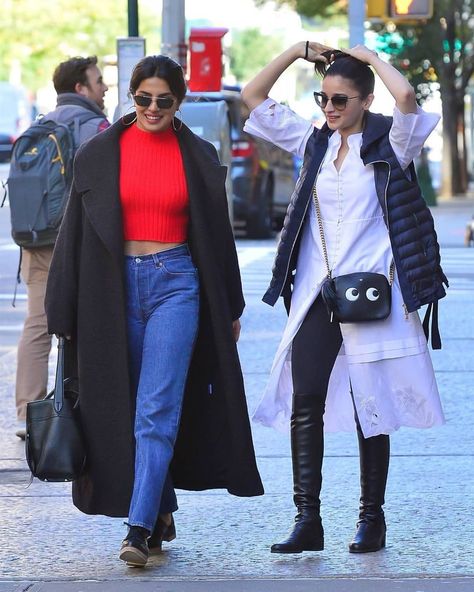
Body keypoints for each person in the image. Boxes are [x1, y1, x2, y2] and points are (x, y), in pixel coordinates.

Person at [45, 55, 263, 568]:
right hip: (112, 289)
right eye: (143, 98)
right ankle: (161, 506)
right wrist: (62, 312)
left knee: (156, 410)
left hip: (176, 285)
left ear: (179, 102)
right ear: (132, 96)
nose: (152, 108)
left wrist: (230, 305)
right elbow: (73, 235)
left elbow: (217, 237)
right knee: (125, 406)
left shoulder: (199, 156)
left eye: (164, 101)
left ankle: (138, 527)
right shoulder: (100, 154)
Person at [242, 42, 448, 554]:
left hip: (372, 294)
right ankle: (306, 519)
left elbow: (406, 99)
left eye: (340, 100)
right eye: (323, 98)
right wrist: (296, 51)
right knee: (305, 398)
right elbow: (253, 94)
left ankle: (370, 519)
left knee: (369, 406)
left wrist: (372, 57)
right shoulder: (313, 143)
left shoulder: (391, 145)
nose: (329, 108)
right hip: (317, 291)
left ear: (364, 101)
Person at [15, 56, 109, 439]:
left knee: (37, 325)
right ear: (81, 88)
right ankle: (85, 405)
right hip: (77, 242)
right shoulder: (95, 128)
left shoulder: (38, 127)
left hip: (36, 240)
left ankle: (27, 413)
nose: (104, 88)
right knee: (88, 324)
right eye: (99, 81)